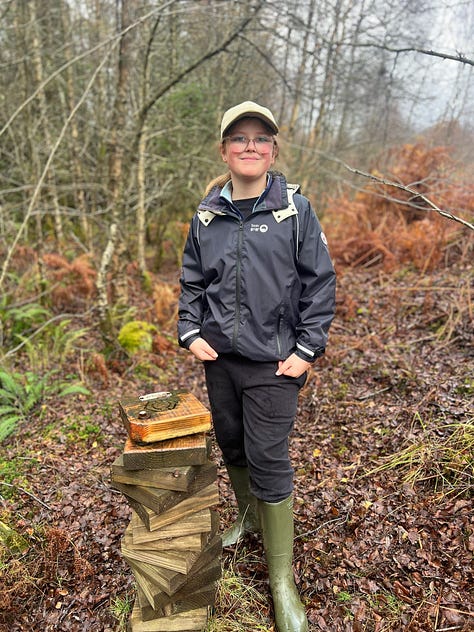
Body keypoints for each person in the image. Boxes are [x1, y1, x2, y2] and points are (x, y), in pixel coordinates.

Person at [178, 101, 336, 632]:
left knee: (269, 456)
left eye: (260, 138)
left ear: (272, 150)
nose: (250, 146)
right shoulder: (207, 214)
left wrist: (306, 349)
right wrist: (191, 330)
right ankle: (247, 515)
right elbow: (193, 281)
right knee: (232, 442)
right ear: (223, 150)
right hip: (221, 359)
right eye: (239, 138)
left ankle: (281, 580)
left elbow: (320, 284)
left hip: (276, 362)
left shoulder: (295, 210)